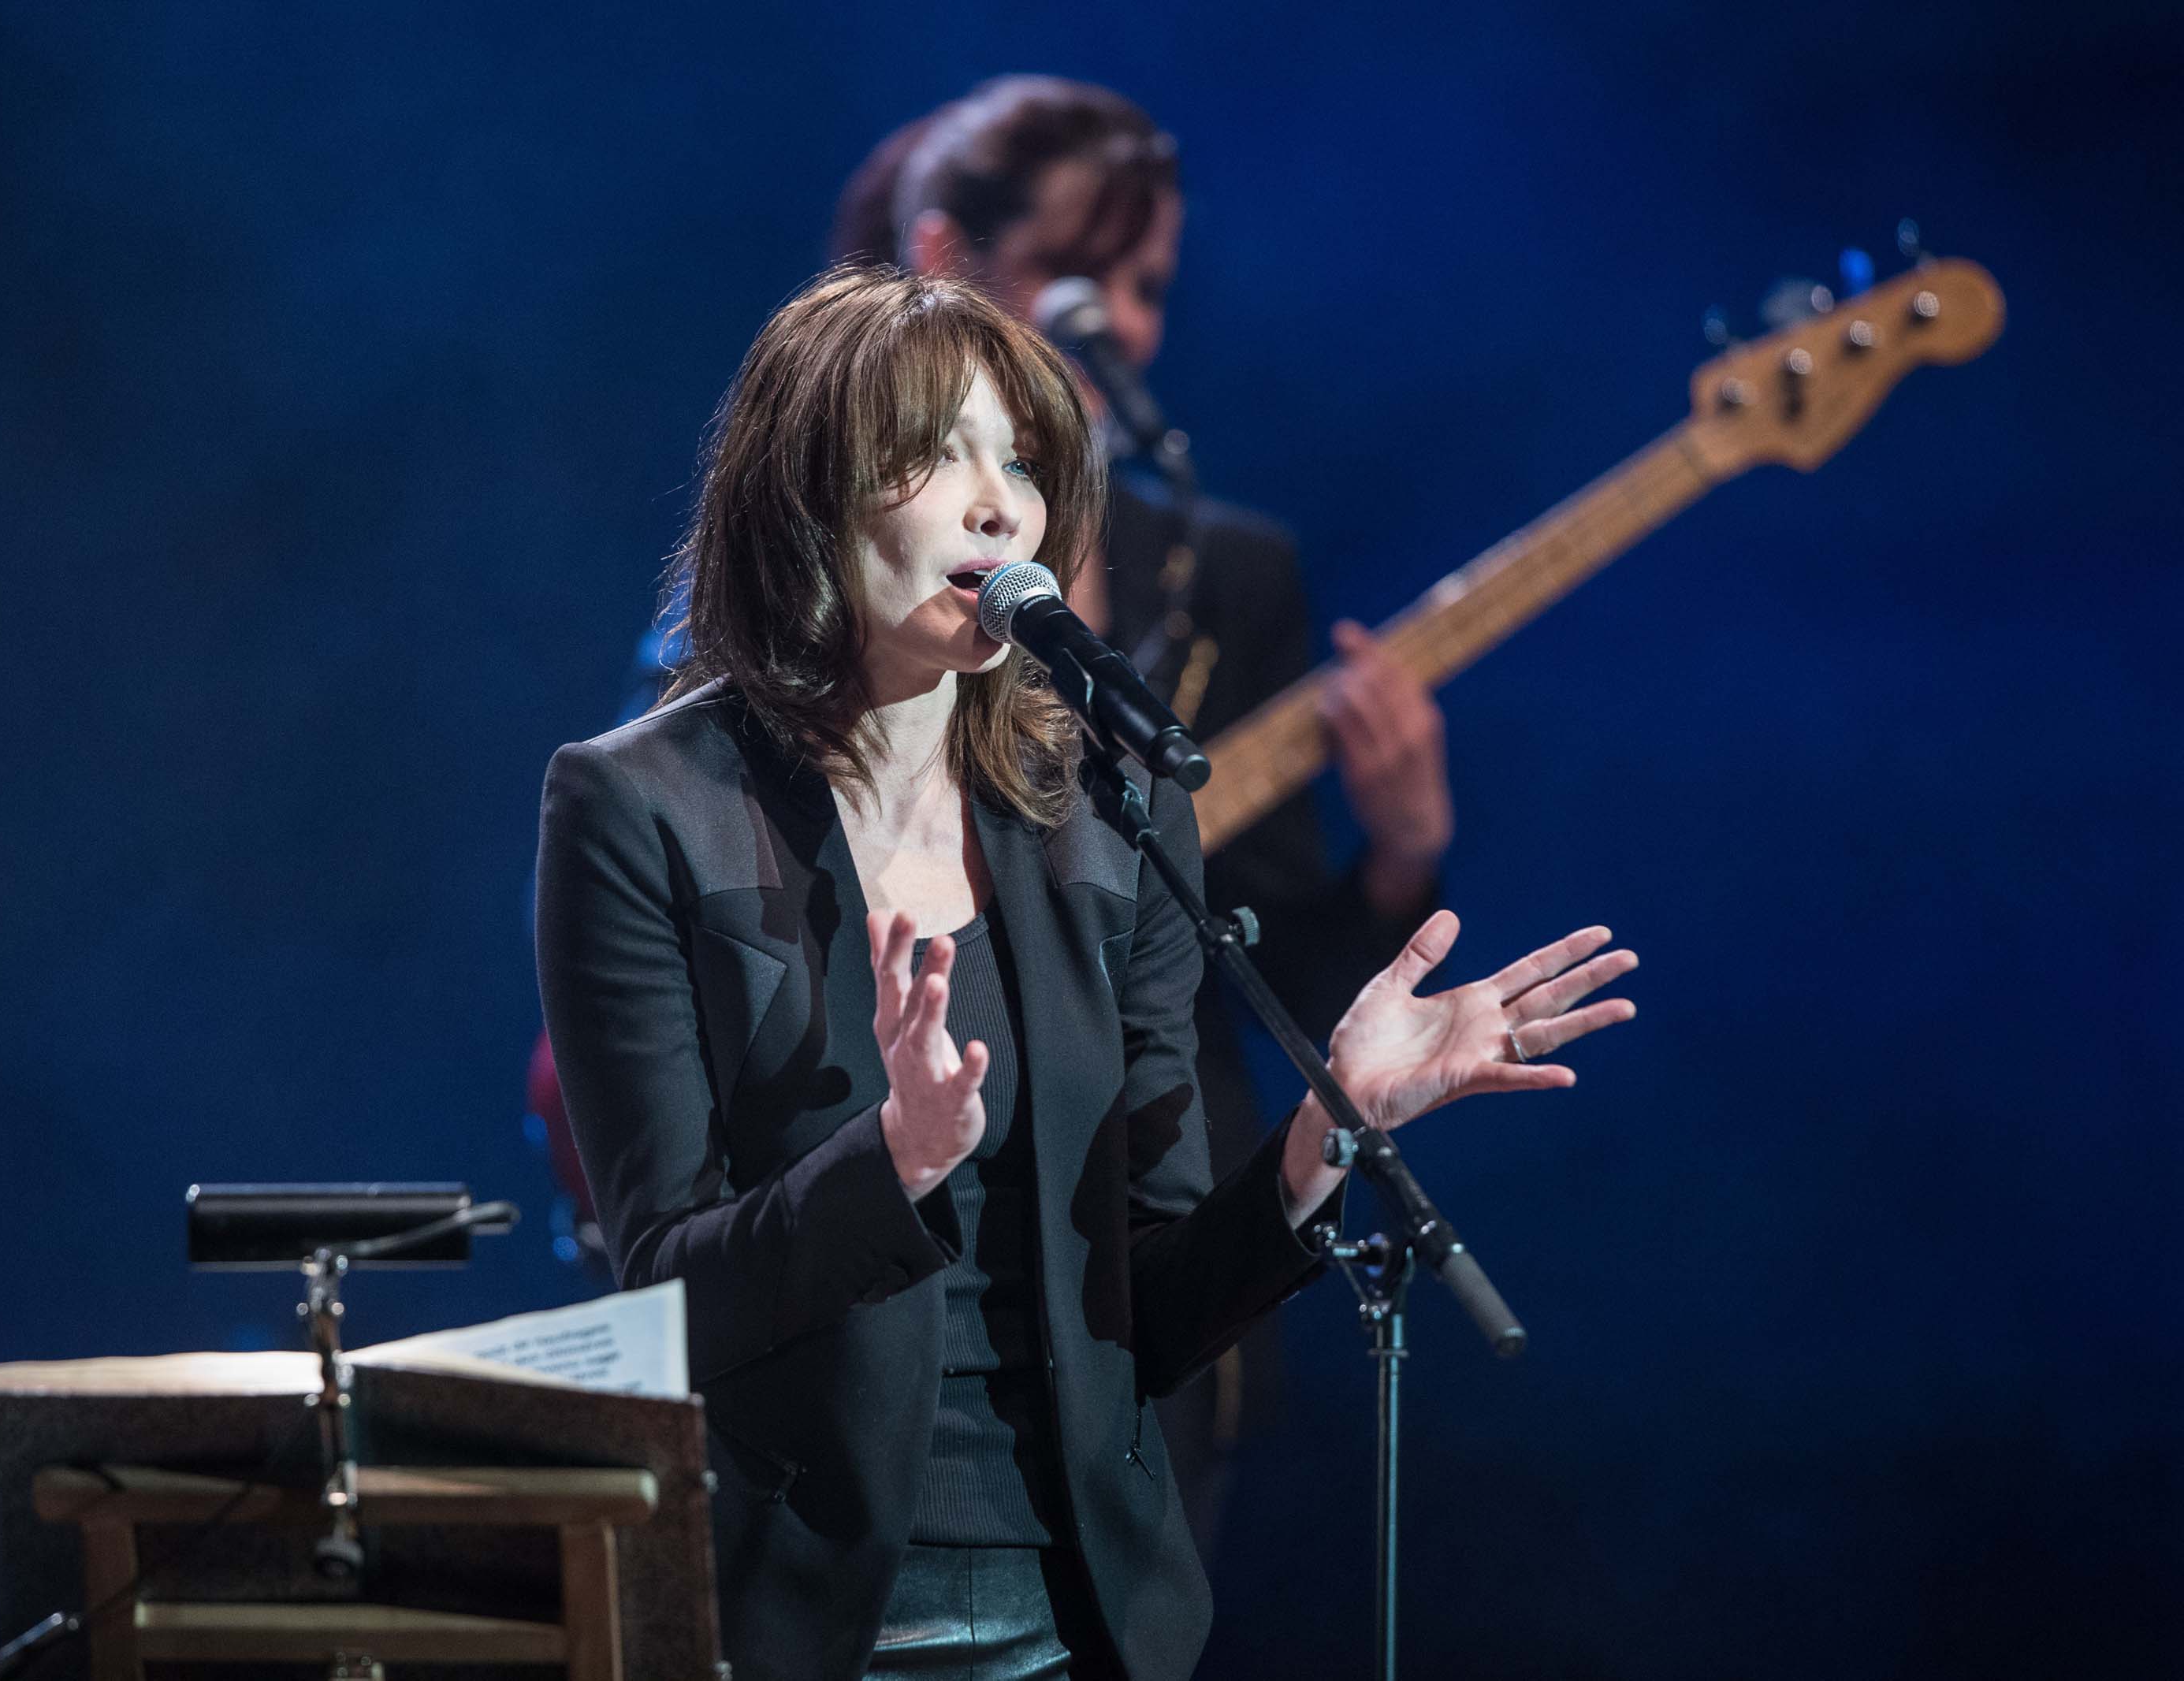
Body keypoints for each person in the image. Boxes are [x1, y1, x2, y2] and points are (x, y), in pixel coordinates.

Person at [534, 266, 1636, 1680]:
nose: (1003, 504)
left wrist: (1321, 1132)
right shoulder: (643, 806)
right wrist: (894, 1163)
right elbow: (669, 1299)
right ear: (807, 492)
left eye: (1025, 463)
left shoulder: (1106, 813)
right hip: (796, 1624)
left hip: (1081, 1627)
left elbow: (1156, 1306)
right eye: (939, 454)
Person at [831, 76, 1457, 1547]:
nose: (1116, 319)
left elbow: (1266, 967)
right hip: (884, 1247)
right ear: (943, 261)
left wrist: (1407, 843)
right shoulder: (817, 585)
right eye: (1078, 271)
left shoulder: (1231, 575)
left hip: (1153, 1244)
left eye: (1147, 283)